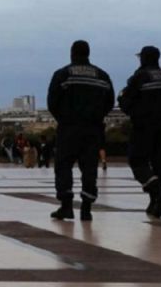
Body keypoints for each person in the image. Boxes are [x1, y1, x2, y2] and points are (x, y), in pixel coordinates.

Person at [47, 40, 114, 221]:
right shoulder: (102, 76)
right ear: (88, 53)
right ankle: (86, 208)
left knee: (63, 166)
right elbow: (109, 102)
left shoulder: (63, 74)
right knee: (90, 167)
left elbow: (52, 102)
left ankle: (66, 206)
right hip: (93, 129)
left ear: (72, 53)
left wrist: (64, 118)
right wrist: (96, 117)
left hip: (69, 128)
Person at [118, 45, 161, 218]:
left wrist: (131, 110)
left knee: (137, 160)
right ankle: (155, 200)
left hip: (144, 125)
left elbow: (126, 98)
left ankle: (158, 192)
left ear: (143, 58)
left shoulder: (140, 77)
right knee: (159, 162)